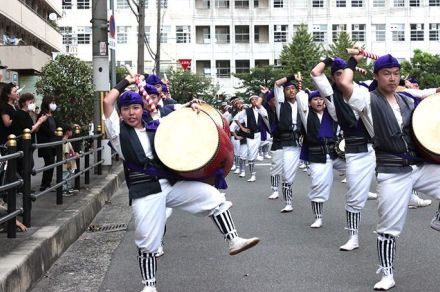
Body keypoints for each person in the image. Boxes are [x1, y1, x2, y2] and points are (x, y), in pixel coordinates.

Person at [103, 76, 259, 292]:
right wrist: (126, 81)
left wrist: (190, 107)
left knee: (212, 196)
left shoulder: (155, 126)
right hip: (145, 191)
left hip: (170, 183)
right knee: (147, 241)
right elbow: (107, 102)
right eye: (127, 109)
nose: (131, 113)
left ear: (142, 109)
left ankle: (233, 239)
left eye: (136, 108)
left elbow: (176, 121)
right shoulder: (117, 133)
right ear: (121, 112)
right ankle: (149, 286)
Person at [341, 53, 440, 290]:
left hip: (418, 165)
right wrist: (352, 60)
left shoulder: (406, 99)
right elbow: (345, 82)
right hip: (392, 170)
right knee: (388, 229)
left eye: (396, 73)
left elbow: (430, 98)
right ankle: (387, 274)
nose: (392, 78)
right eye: (386, 74)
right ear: (376, 76)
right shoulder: (366, 99)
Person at [311, 56, 376, 251]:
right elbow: (315, 72)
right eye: (336, 74)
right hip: (357, 151)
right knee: (355, 197)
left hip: (380, 146)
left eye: (343, 73)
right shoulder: (330, 93)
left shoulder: (362, 89)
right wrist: (329, 60)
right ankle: (353, 236)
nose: (340, 78)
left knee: (413, 174)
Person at [296, 89, 345, 228]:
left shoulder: (332, 114)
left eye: (321, 99)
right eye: (315, 99)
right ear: (310, 103)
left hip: (335, 153)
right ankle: (318, 217)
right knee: (318, 186)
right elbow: (300, 99)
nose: (319, 101)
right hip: (317, 156)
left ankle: (363, 191)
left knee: (359, 167)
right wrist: (304, 90)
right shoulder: (306, 115)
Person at [272, 76, 303, 212]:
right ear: (284, 93)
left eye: (293, 88)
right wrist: (292, 77)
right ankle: (288, 202)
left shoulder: (302, 103)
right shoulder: (281, 105)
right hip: (289, 144)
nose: (291, 91)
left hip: (306, 142)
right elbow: (277, 83)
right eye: (288, 89)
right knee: (287, 175)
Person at [233, 95, 269, 182]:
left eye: (256, 99)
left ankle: (260, 154)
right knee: (251, 155)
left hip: (261, 134)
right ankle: (252, 174)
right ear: (250, 102)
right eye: (252, 99)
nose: (254, 100)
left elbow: (266, 116)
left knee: (266, 144)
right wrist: (242, 127)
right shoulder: (247, 111)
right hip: (251, 135)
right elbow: (236, 118)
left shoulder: (261, 109)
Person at [13, 93, 48, 177]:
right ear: (23, 103)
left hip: (29, 145)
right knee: (24, 166)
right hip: (22, 145)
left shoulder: (28, 114)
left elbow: (34, 129)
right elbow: (28, 130)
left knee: (28, 165)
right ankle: (22, 188)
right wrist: (39, 122)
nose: (32, 104)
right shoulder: (19, 114)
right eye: (30, 102)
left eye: (33, 102)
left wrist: (39, 121)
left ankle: (26, 187)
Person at [36, 96, 58, 192]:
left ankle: (47, 184)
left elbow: (57, 125)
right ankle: (44, 185)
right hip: (45, 143)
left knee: (51, 163)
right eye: (51, 102)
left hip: (53, 143)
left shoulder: (52, 115)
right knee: (49, 163)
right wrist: (55, 133)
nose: (53, 104)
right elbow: (44, 130)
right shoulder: (42, 115)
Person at [61, 125, 79, 196]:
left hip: (68, 161)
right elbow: (66, 153)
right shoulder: (65, 141)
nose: (72, 132)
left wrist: (75, 154)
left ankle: (68, 189)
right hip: (66, 163)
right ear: (67, 132)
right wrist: (68, 162)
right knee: (65, 176)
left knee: (68, 176)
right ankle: (64, 190)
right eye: (71, 131)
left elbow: (69, 152)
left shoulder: (66, 140)